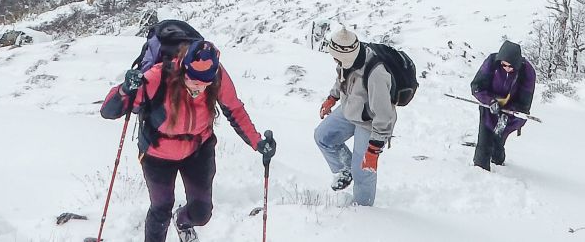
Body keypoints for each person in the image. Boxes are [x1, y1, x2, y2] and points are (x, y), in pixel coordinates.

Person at [101, 39, 276, 242]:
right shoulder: (158, 76)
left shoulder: (217, 74)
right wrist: (125, 89)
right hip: (158, 153)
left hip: (198, 149)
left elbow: (234, 109)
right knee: (161, 209)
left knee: (202, 212)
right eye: (193, 81)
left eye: (204, 84)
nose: (198, 88)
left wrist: (258, 142)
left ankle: (182, 221)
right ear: (183, 69)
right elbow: (109, 111)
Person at [313, 26, 396, 206]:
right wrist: (332, 97)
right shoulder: (347, 60)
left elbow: (384, 114)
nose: (334, 59)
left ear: (345, 56)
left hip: (370, 122)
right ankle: (345, 170)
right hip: (350, 108)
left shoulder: (376, 74)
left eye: (336, 57)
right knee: (323, 137)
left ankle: (363, 213)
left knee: (363, 170)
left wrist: (374, 149)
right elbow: (342, 77)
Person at [470, 40, 536, 171]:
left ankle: (498, 162)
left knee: (498, 139)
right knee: (484, 139)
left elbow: (525, 102)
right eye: (504, 65)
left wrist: (510, 111)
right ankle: (480, 171)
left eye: (511, 67)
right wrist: (490, 101)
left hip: (511, 112)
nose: (507, 68)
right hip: (489, 106)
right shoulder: (492, 62)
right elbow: (477, 87)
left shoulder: (527, 72)